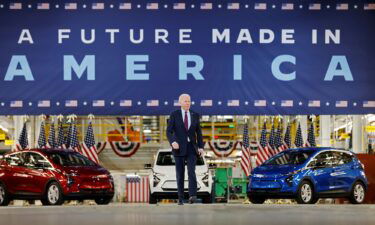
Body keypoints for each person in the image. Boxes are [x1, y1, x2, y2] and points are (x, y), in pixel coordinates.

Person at [166, 93, 204, 205]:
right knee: (180, 173)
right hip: (178, 148)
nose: (188, 103)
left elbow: (199, 132)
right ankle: (180, 197)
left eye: (189, 101)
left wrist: (201, 147)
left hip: (192, 148)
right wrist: (173, 141)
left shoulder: (195, 115)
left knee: (191, 171)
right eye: (185, 101)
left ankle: (192, 195)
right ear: (180, 103)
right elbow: (169, 131)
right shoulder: (174, 114)